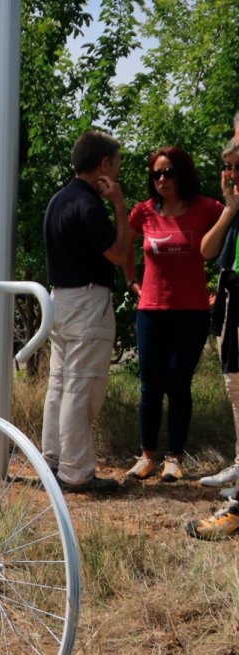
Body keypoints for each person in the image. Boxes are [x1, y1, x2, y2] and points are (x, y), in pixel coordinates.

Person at [121, 147, 225, 482]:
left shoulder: (206, 208)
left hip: (192, 312)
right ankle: (147, 456)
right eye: (156, 174)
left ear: (183, 174)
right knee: (150, 386)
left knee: (178, 384)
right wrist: (131, 280)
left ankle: (175, 458)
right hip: (151, 310)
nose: (162, 179)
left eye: (169, 172)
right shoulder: (144, 211)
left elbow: (228, 231)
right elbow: (124, 244)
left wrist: (218, 286)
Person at [41, 130, 131, 493]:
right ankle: (76, 472)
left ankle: (52, 460)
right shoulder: (89, 205)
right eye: (118, 163)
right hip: (87, 301)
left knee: (60, 385)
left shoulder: (59, 199)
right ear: (105, 164)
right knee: (82, 388)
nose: (119, 170)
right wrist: (121, 208)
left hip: (59, 301)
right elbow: (120, 254)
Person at [196, 139, 239, 491]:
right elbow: (207, 250)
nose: (233, 174)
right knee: (234, 384)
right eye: (230, 167)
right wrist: (229, 208)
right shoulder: (235, 208)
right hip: (232, 295)